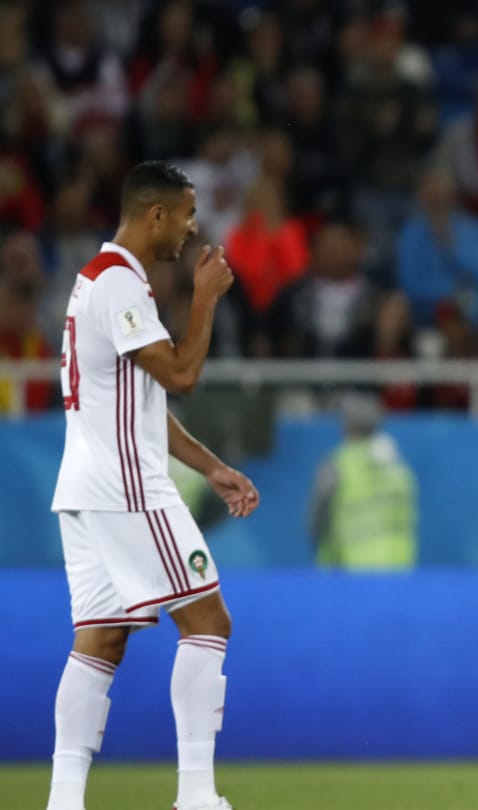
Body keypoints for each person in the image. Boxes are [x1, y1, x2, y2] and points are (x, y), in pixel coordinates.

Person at [47, 161, 260, 810]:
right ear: (156, 214)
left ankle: (63, 800)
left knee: (100, 640)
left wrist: (210, 467)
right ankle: (196, 794)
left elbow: (139, 401)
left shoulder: (98, 280)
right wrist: (206, 298)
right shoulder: (118, 284)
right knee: (208, 621)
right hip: (127, 487)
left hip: (84, 487)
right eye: (188, 214)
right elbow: (181, 375)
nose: (193, 228)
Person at [310, 392, 418, 570]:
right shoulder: (398, 466)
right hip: (399, 566)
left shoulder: (338, 464)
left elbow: (318, 518)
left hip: (351, 569)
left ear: (347, 425)